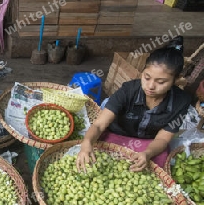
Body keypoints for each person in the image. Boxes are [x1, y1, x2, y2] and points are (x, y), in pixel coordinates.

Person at [77, 36, 192, 172]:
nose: (150, 86)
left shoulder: (181, 101)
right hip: (116, 135)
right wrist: (87, 143)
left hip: (149, 143)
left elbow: (162, 138)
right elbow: (99, 124)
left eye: (161, 82)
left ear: (176, 80)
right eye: (147, 77)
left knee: (158, 163)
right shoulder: (128, 90)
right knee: (95, 155)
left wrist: (147, 153)